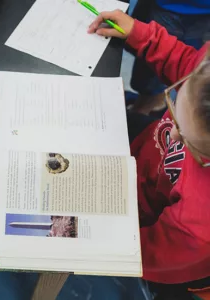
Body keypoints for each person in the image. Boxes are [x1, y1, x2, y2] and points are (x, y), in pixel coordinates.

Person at [87, 10, 210, 286]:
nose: (174, 133)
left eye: (191, 143)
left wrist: (93, 236)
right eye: (175, 104)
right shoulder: (205, 74)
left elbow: (142, 254)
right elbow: (187, 63)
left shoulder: (201, 229)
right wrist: (141, 34)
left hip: (135, 218)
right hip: (139, 157)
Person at [128, 0, 210, 115]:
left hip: (197, 13)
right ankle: (150, 102)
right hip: (166, 6)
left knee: (151, 80)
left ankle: (147, 106)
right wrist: (138, 32)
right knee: (149, 74)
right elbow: (181, 62)